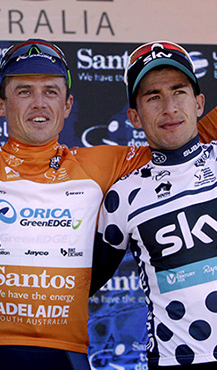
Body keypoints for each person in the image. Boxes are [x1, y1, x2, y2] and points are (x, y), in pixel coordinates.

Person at [0, 39, 217, 370]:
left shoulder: (104, 164)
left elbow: (183, 138)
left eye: (51, 91)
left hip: (67, 353)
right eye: (24, 91)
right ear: (0, 104)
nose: (39, 104)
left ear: (67, 105)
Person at [92, 41, 217, 369]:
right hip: (177, 361)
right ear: (134, 116)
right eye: (153, 97)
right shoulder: (122, 196)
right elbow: (77, 282)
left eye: (179, 92)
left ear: (199, 102)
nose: (170, 107)